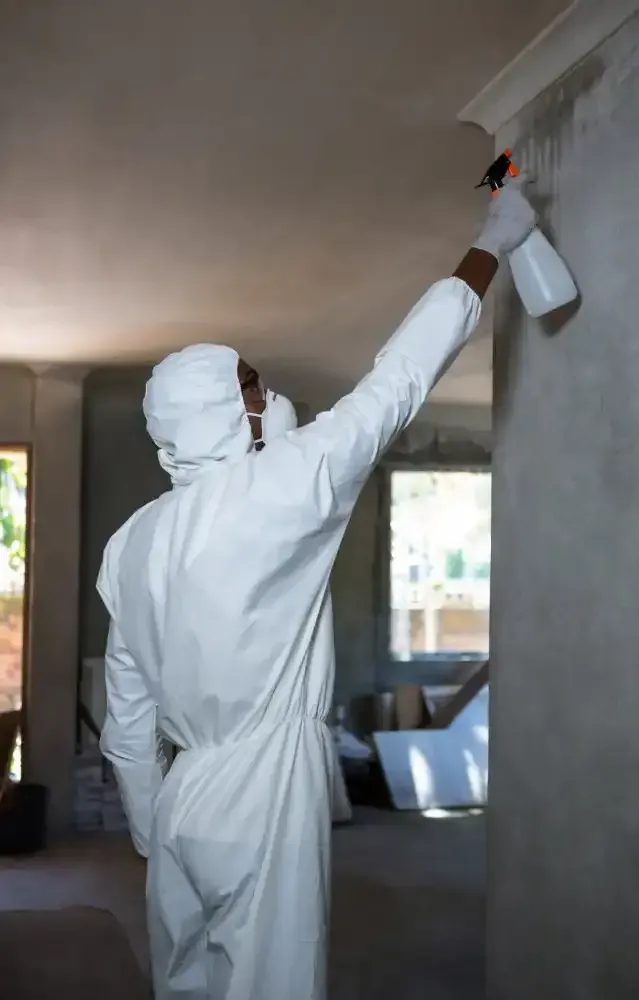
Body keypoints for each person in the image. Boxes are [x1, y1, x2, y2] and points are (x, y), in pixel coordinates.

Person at [97, 179, 536, 1000]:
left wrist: (156, 830)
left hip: (182, 794)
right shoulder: (284, 488)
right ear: (220, 410)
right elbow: (396, 380)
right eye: (250, 384)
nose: (267, 396)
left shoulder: (133, 541)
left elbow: (127, 723)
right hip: (263, 789)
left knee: (187, 984)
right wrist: (489, 245)